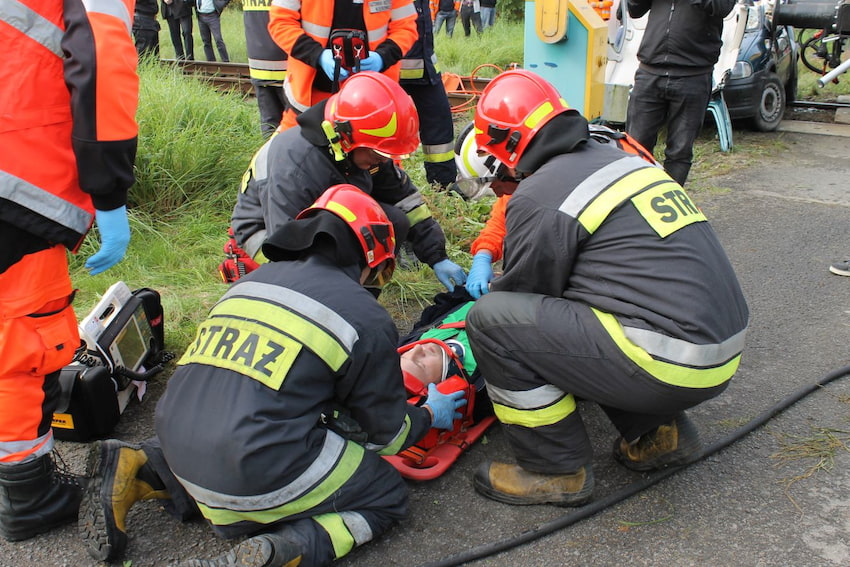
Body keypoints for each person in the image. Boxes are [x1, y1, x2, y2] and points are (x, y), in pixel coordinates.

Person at [78, 185, 467, 566]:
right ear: (370, 257)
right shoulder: (363, 316)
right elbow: (386, 435)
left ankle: (139, 466)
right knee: (384, 495)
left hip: (174, 439)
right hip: (251, 471)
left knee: (228, 422)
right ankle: (284, 549)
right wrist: (429, 415)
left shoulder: (247, 284)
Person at [464, 70, 749, 506]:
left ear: (502, 148)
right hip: (719, 350)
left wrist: (493, 284)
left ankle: (554, 469)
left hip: (668, 361)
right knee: (598, 303)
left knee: (490, 321)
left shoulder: (540, 192)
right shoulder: (619, 156)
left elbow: (522, 299)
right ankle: (660, 433)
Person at [0, 0, 139, 542]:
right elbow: (102, 60)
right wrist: (107, 186)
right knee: (21, 340)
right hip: (18, 172)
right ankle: (29, 493)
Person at [229, 71, 467, 291]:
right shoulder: (297, 165)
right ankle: (343, 299)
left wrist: (438, 257)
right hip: (267, 237)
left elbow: (405, 201)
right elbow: (285, 241)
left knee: (393, 221)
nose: (381, 161)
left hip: (323, 220)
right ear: (345, 138)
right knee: (342, 250)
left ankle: (358, 296)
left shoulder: (364, 148)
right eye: (378, 154)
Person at [452, 121, 661, 299]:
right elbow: (503, 215)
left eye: (496, 187)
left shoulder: (567, 176)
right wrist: (483, 255)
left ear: (510, 169)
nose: (498, 194)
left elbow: (551, 254)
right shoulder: (547, 159)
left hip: (642, 265)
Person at [625, 0, 735, 185]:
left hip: (693, 74)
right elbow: (634, 9)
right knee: (636, 146)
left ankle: (671, 203)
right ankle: (635, 203)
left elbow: (722, 8)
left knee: (680, 150)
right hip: (650, 70)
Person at [268, 0, 418, 131]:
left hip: (373, 98)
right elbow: (281, 23)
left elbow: (406, 28)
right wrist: (317, 55)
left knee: (377, 157)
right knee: (294, 154)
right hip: (310, 95)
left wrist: (383, 57)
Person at [400, 0, 457, 188]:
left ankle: (444, 185)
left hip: (425, 69)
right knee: (383, 131)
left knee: (440, 125)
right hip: (390, 70)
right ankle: (382, 187)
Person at [244, 0, 289, 137]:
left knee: (269, 125)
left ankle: (268, 156)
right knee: (293, 127)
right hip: (286, 67)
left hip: (258, 66)